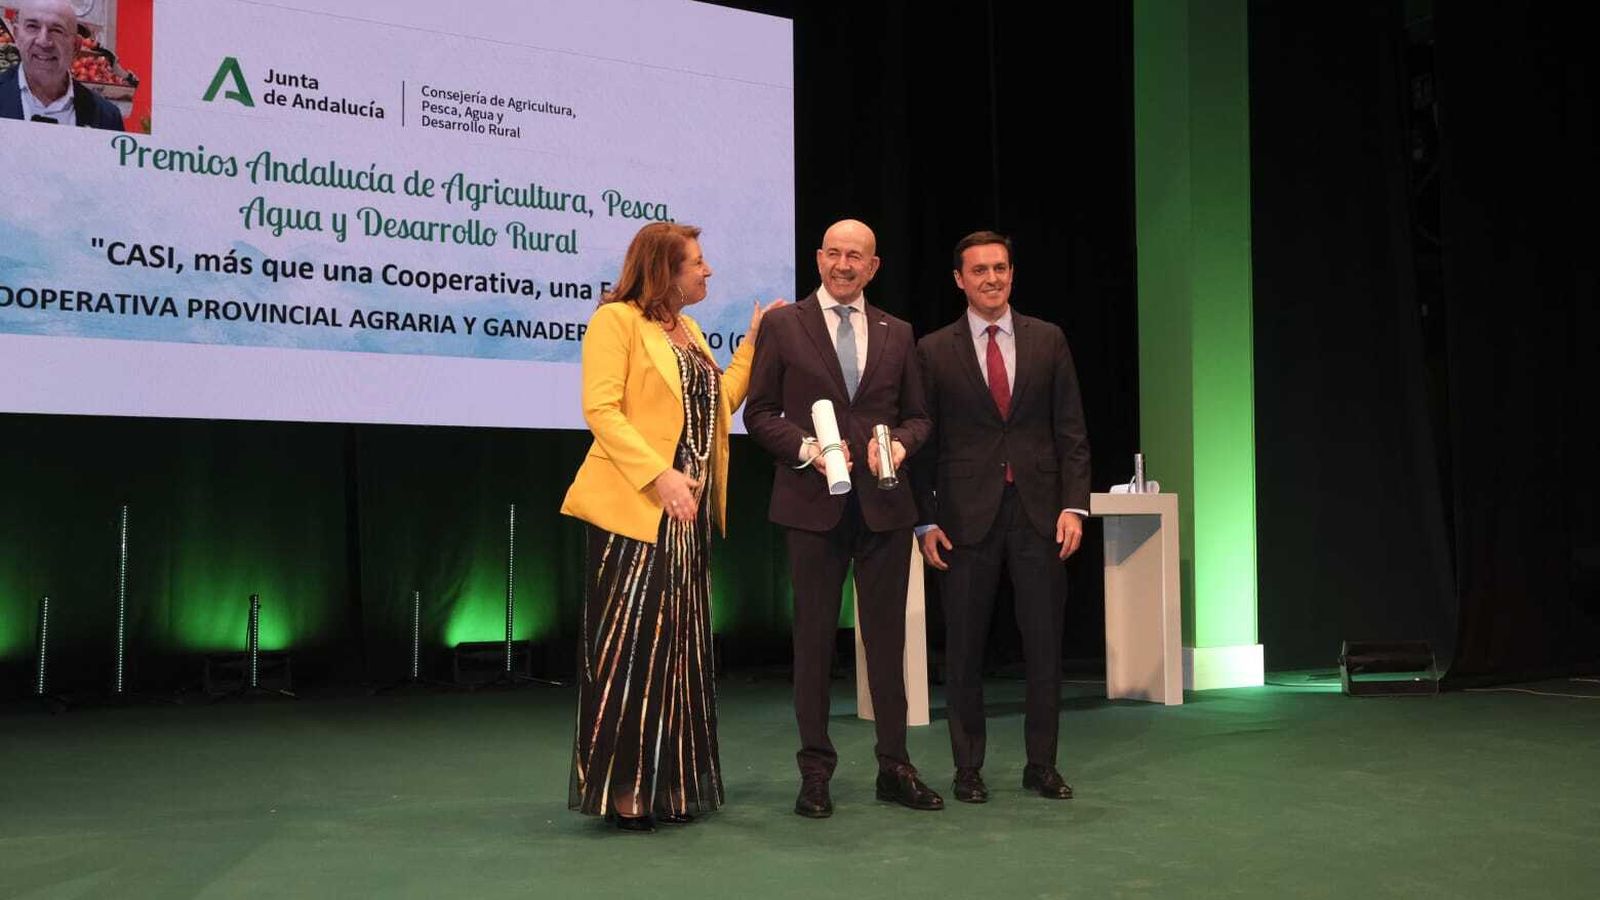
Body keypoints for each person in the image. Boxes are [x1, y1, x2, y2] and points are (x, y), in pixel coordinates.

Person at [561, 222, 783, 833]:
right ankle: (624, 789)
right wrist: (659, 475)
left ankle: (672, 782)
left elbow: (719, 403)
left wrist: (754, 344)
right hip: (635, 512)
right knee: (633, 651)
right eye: (698, 262)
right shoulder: (617, 322)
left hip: (685, 518)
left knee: (679, 651)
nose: (708, 271)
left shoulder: (684, 330)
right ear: (665, 271)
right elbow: (600, 409)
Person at [744, 218, 942, 818]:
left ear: (873, 266)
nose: (844, 264)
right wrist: (809, 449)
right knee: (811, 644)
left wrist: (901, 446)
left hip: (884, 507)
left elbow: (918, 416)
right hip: (812, 506)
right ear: (818, 259)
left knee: (888, 643)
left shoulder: (898, 332)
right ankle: (815, 772)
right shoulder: (783, 324)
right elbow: (760, 411)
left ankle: (895, 765)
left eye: (856, 256)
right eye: (834, 253)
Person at [913, 230, 1091, 803]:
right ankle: (968, 769)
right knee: (963, 651)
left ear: (1012, 273)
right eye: (979, 270)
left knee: (1044, 648)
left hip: (1040, 515)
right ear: (959, 279)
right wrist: (924, 519)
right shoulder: (934, 350)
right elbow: (922, 442)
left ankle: (1042, 765)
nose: (992, 279)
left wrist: (1073, 505)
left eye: (1001, 268)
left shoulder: (1049, 339)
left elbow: (1072, 432)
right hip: (964, 519)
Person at [0, 0, 125, 129]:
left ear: (75, 46)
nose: (43, 41)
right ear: (17, 35)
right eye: (33, 27)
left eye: (56, 30)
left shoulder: (107, 117)